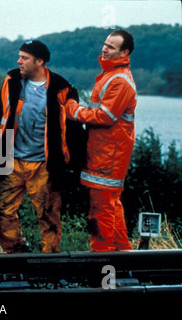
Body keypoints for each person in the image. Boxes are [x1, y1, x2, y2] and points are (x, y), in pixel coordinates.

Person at [0, 40, 87, 254]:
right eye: (19, 56)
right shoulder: (11, 81)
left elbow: (73, 130)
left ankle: (49, 258)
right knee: (0, 209)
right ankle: (16, 251)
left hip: (44, 165)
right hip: (11, 161)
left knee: (48, 215)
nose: (19, 61)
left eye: (24, 57)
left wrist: (73, 166)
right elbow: (0, 118)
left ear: (40, 61)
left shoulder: (62, 88)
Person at [58, 29, 136, 251]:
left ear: (124, 51)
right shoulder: (111, 75)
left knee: (100, 210)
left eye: (111, 46)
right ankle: (123, 254)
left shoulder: (119, 80)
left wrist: (72, 109)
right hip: (105, 153)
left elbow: (105, 117)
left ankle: (103, 260)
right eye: (105, 44)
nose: (104, 48)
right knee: (111, 205)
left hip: (109, 156)